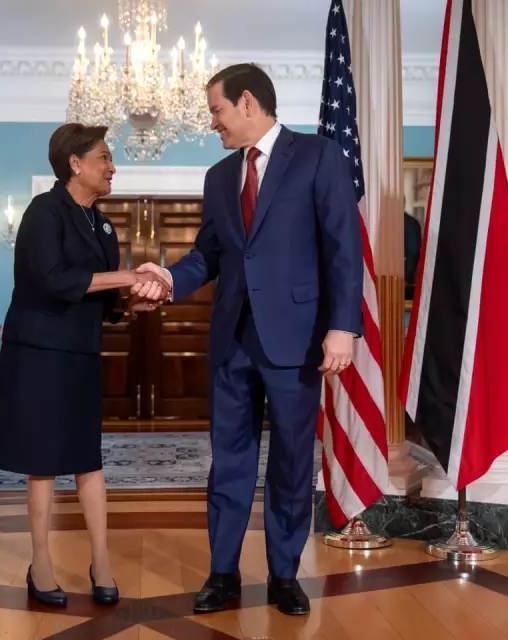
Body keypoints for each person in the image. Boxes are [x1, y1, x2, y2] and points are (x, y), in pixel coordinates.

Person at [133, 63, 363, 616]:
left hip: (298, 341)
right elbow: (208, 255)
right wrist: (167, 279)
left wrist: (342, 327)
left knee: (291, 460)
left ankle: (284, 575)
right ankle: (223, 573)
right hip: (232, 340)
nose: (212, 122)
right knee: (228, 461)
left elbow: (343, 246)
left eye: (216, 110)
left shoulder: (318, 156)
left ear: (248, 103)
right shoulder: (219, 176)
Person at [0, 123, 169, 607]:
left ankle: (101, 563)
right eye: (104, 157)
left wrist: (130, 304)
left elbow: (102, 300)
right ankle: (40, 564)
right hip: (41, 355)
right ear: (75, 163)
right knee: (44, 462)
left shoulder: (102, 224)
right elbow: (53, 280)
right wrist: (128, 275)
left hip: (82, 353)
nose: (113, 167)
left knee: (89, 457)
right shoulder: (43, 212)